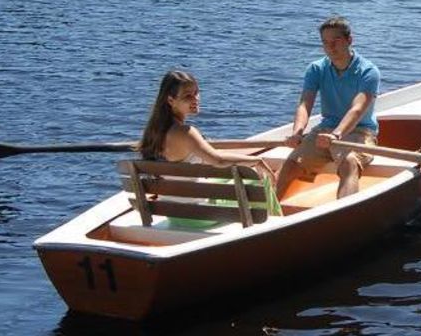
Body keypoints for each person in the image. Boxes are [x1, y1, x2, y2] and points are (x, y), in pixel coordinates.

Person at [138, 70, 281, 215]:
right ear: (170, 100)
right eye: (188, 96)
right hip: (200, 214)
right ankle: (275, 221)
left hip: (173, 212)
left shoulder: (154, 132)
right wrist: (257, 161)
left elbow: (212, 154)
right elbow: (217, 160)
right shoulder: (186, 132)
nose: (196, 99)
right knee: (257, 177)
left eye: (197, 93)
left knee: (226, 179)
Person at [276, 16, 380, 199]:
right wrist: (297, 133)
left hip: (359, 131)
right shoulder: (316, 69)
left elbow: (357, 108)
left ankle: (344, 214)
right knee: (291, 163)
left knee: (349, 163)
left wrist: (336, 135)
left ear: (349, 40)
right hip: (324, 130)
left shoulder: (368, 71)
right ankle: (268, 216)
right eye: (325, 42)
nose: (330, 47)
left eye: (336, 41)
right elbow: (305, 104)